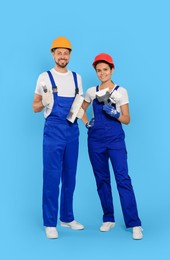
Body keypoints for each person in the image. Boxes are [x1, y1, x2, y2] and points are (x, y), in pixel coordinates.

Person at [82, 53, 143, 240]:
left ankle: (134, 223)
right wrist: (86, 123)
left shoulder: (120, 91)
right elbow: (80, 109)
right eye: (99, 70)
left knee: (122, 178)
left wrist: (116, 113)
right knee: (101, 179)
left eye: (105, 70)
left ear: (112, 69)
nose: (102, 73)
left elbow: (127, 119)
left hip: (115, 141)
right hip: (95, 141)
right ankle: (108, 218)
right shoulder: (91, 92)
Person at [32, 36, 84, 239]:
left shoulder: (77, 77)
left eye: (66, 52)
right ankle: (50, 222)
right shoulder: (44, 77)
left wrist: (85, 119)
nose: (63, 56)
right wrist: (44, 102)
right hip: (53, 131)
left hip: (72, 131)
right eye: (59, 52)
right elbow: (34, 107)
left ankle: (67, 218)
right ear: (53, 54)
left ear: (70, 55)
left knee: (70, 176)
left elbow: (79, 104)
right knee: (52, 176)